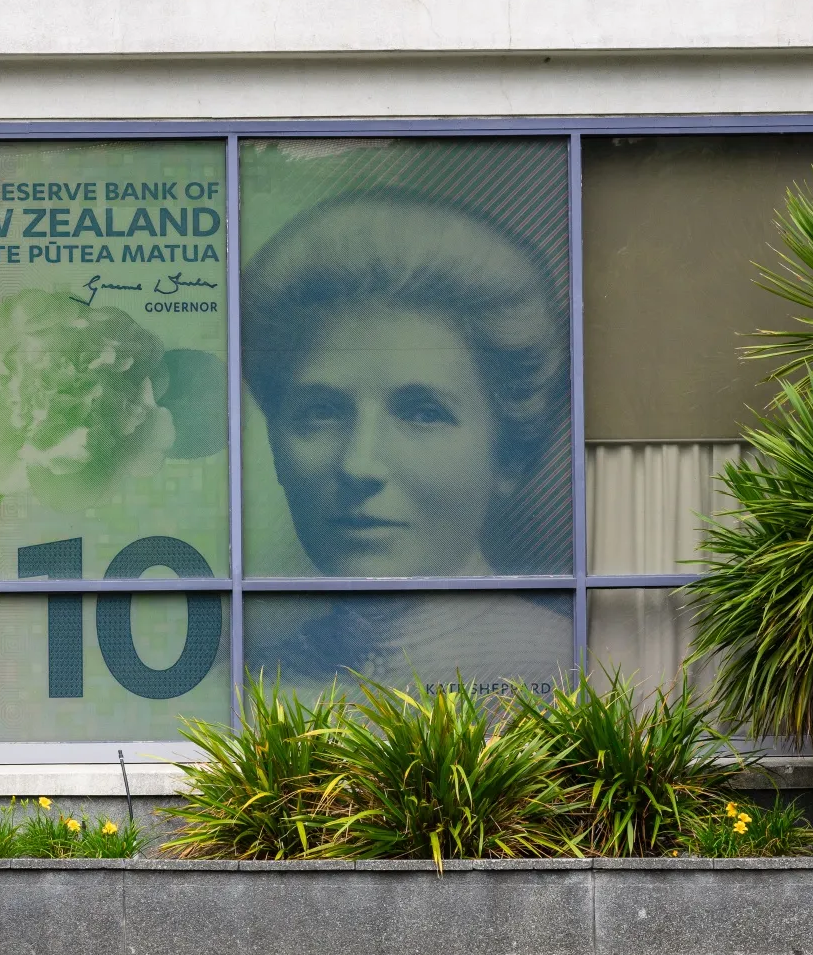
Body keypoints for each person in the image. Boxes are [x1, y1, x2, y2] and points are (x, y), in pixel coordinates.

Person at [240, 191, 573, 692]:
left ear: (507, 454)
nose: (359, 464)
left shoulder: (561, 671)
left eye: (421, 413)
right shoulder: (255, 682)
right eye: (322, 412)